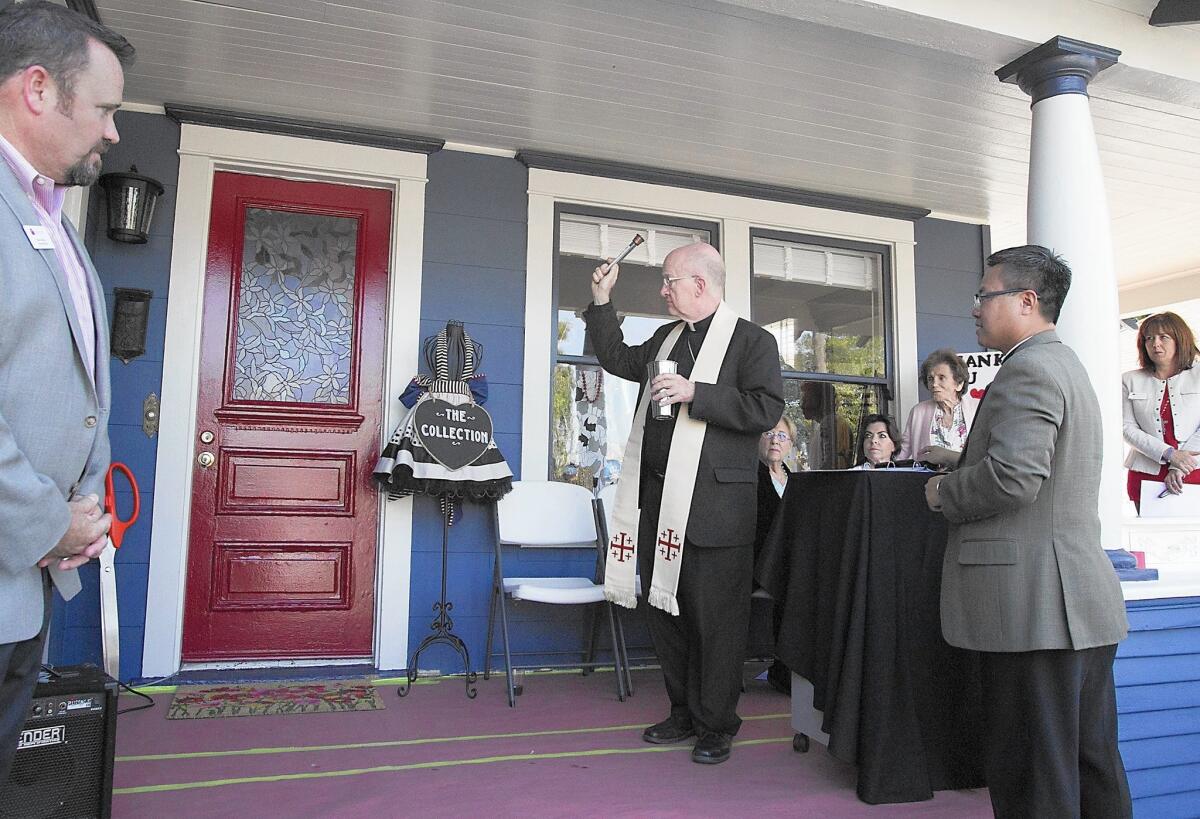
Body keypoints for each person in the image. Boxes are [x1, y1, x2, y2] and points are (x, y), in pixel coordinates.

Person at [924, 246, 1131, 818]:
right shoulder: (1065, 364)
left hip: (1030, 612)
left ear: (1026, 300)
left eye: (984, 296)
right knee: (1090, 771)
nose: (974, 309)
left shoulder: (1028, 369)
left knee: (1035, 780)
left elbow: (1014, 479)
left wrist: (944, 491)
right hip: (1073, 607)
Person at [585, 241, 784, 764]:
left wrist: (698, 392)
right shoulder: (665, 337)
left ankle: (717, 723)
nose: (663, 290)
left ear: (701, 284)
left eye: (670, 280)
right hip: (658, 505)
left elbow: (765, 409)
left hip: (718, 512)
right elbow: (616, 359)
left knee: (717, 625)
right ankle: (682, 712)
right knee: (666, 615)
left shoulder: (751, 341)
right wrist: (602, 301)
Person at [0, 1, 131, 786]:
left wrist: (85, 510)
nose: (114, 131)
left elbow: (69, 384)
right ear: (38, 89)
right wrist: (51, 521)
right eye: (107, 108)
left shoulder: (52, 215)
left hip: (25, 586)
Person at [1121, 311, 1200, 512]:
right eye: (1149, 338)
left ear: (1180, 339)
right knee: (1151, 541)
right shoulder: (1129, 380)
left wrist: (1179, 465)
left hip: (1194, 470)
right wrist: (1169, 454)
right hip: (1145, 475)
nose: (1155, 344)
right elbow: (1125, 427)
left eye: (1163, 337)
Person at [754, 416, 795, 693]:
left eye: (781, 436)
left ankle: (795, 665)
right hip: (757, 562)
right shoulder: (751, 477)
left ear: (790, 444)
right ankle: (783, 669)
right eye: (769, 433)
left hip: (787, 561)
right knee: (795, 587)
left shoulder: (795, 479)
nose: (774, 441)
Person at [897, 348, 978, 468]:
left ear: (959, 384)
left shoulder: (977, 408)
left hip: (966, 482)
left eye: (941, 378)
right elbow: (903, 452)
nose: (934, 384)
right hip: (926, 482)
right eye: (930, 379)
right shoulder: (919, 412)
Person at [799, 380, 853, 469]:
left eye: (806, 399)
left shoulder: (830, 423)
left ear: (819, 400)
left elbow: (831, 464)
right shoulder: (830, 423)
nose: (802, 405)